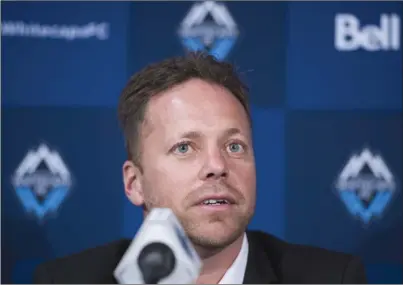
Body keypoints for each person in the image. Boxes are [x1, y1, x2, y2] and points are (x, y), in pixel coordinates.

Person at [33, 52, 367, 284]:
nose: (217, 166)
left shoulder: (333, 279)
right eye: (184, 148)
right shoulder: (63, 281)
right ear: (135, 183)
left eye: (234, 146)